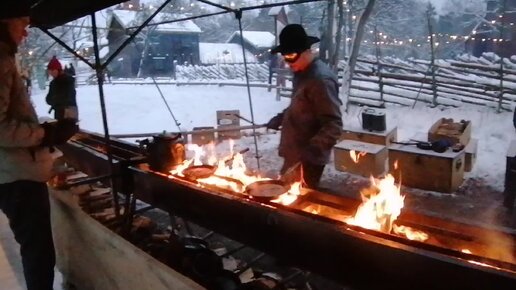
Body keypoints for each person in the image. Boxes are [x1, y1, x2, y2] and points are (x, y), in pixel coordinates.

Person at [0, 2, 79, 290]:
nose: (25, 32)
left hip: (14, 172)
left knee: (37, 250)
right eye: (22, 23)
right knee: (38, 252)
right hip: (15, 176)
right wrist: (44, 135)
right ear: (4, 22)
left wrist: (50, 130)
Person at [266, 24, 343, 189]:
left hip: (308, 159)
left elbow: (334, 125)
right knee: (285, 192)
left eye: (292, 55)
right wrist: (281, 118)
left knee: (294, 201)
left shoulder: (320, 80)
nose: (288, 62)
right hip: (295, 151)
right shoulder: (302, 73)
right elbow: (301, 105)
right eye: (284, 56)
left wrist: (312, 150)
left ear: (308, 51)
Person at [45, 56, 78, 120]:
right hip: (58, 111)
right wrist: (54, 100)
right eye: (50, 71)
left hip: (69, 111)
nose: (51, 73)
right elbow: (48, 99)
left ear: (58, 69)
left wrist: (55, 100)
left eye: (52, 70)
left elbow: (67, 97)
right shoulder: (53, 83)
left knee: (69, 128)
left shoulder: (67, 80)